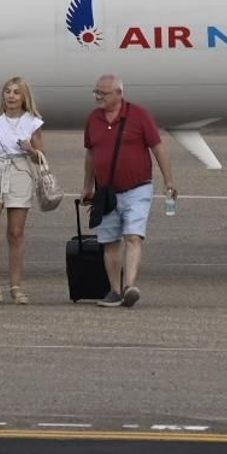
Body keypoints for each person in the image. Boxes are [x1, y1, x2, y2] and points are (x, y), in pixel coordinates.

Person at [81, 74, 178, 309]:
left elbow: (158, 148)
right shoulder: (93, 119)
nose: (98, 97)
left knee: (133, 236)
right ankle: (114, 290)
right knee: (110, 241)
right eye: (96, 92)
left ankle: (129, 286)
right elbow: (91, 154)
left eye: (103, 93)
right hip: (106, 191)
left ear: (118, 94)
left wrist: (169, 181)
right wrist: (87, 186)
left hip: (138, 188)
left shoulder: (139, 115)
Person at [0, 77, 46, 305]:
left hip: (19, 169)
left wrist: (31, 149)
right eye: (8, 91)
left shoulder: (32, 121)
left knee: (15, 232)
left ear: (24, 97)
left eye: (16, 92)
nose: (11, 96)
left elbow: (40, 155)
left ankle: (16, 285)